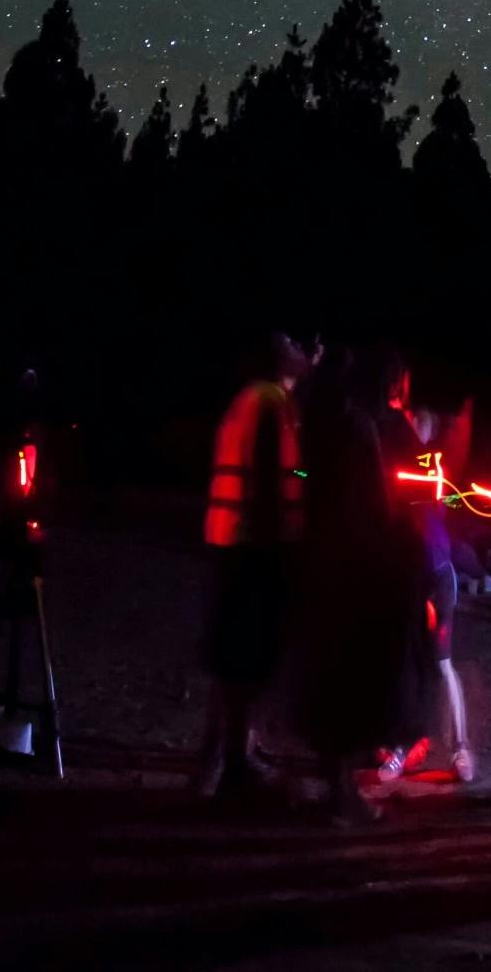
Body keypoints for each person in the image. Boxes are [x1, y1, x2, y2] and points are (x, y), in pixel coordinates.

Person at [295, 345, 422, 821]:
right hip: (353, 569)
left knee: (327, 678)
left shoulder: (317, 428)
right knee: (347, 681)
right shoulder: (356, 428)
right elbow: (373, 502)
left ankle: (335, 785)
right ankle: (341, 794)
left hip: (321, 564)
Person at [197, 330, 310, 803]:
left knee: (231, 656)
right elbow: (275, 473)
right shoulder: (272, 403)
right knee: (247, 657)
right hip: (254, 545)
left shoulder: (243, 400)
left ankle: (221, 761)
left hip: (227, 540)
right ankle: (235, 769)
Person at [372, 356, 475, 785]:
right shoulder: (391, 433)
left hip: (437, 566)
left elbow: (454, 483)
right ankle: (400, 746)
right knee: (404, 662)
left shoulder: (440, 433)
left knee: (442, 662)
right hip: (406, 568)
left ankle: (460, 748)